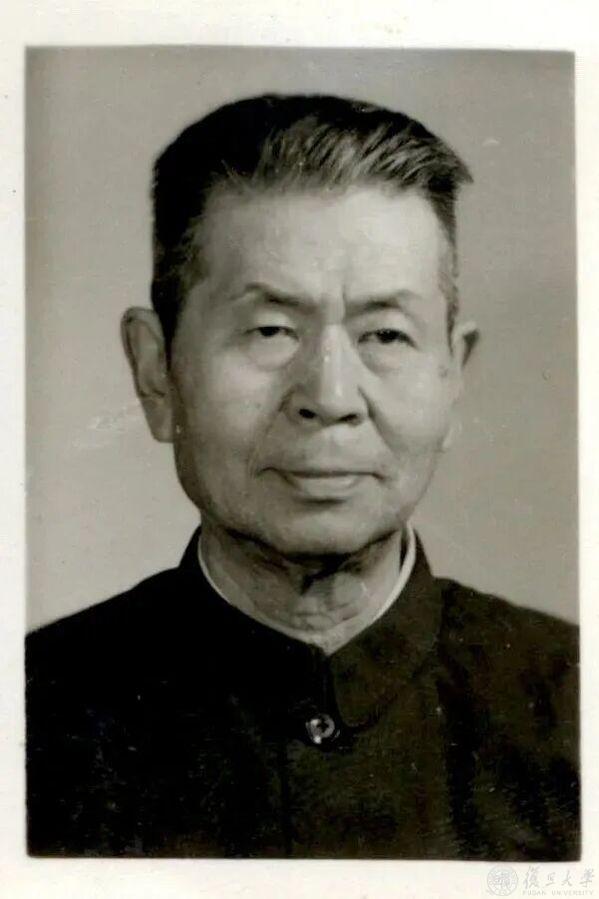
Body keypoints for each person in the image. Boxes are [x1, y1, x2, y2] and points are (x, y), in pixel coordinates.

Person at [26, 94, 579, 859]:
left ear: (452, 373)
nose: (330, 395)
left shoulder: (571, 707)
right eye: (270, 329)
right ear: (156, 372)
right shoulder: (30, 715)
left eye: (385, 334)